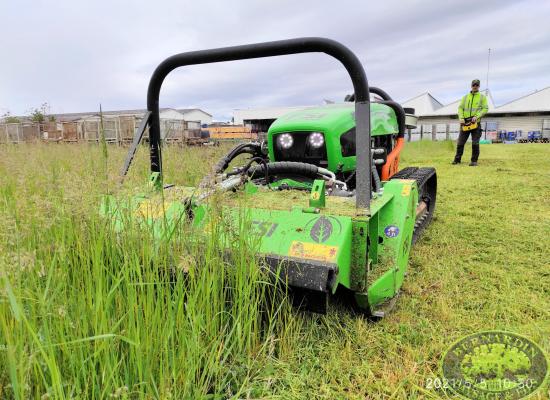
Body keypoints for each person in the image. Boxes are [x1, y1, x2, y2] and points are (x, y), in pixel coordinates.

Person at [452, 79, 489, 166]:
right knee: (460, 142)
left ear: (479, 86)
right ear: (471, 86)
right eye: (474, 85)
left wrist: (477, 116)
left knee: (475, 143)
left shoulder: (482, 97)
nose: (475, 86)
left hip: (475, 123)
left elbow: (485, 108)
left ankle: (474, 161)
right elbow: (460, 108)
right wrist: (461, 118)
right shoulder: (465, 97)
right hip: (464, 123)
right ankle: (457, 160)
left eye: (477, 85)